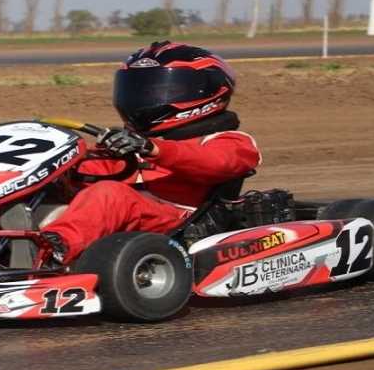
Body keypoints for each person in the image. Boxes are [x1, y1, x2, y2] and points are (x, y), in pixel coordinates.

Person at [41, 41, 261, 264]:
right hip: (127, 217)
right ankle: (21, 246)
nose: (147, 98)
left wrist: (153, 149)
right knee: (43, 187)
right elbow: (94, 172)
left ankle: (48, 253)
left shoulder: (231, 141)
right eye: (141, 90)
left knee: (109, 194)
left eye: (165, 90)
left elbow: (217, 163)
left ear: (211, 92)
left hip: (180, 222)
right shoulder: (131, 142)